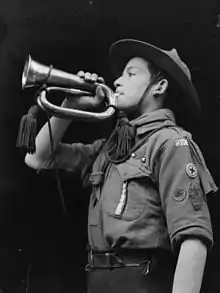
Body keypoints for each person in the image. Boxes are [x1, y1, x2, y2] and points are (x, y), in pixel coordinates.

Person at [24, 39, 218, 293]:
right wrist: (69, 107)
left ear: (159, 86)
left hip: (141, 282)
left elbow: (193, 237)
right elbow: (37, 158)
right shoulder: (111, 148)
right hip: (98, 281)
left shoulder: (172, 143)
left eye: (131, 73)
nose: (116, 82)